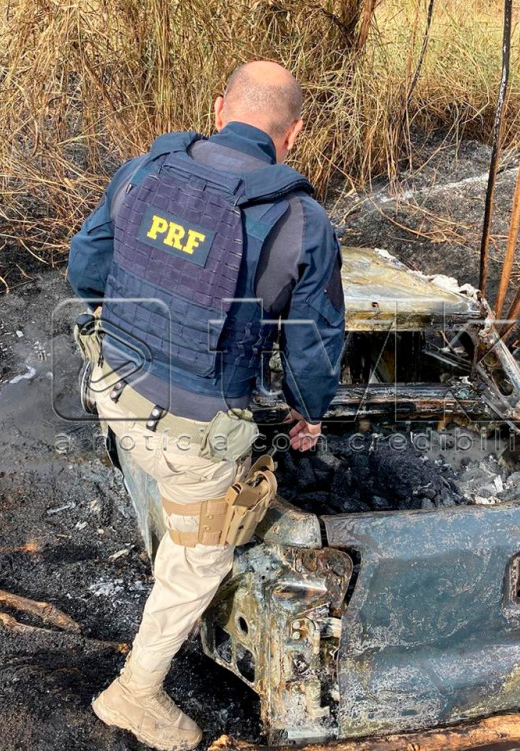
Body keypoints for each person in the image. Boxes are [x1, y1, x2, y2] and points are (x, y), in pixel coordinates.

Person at [66, 60, 345, 751]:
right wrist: (308, 413)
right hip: (190, 440)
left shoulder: (142, 172)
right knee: (202, 556)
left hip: (110, 391)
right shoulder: (301, 221)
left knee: (174, 471)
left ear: (220, 110)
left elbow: (86, 267)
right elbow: (312, 349)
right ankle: (134, 694)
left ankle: (166, 512)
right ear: (294, 133)